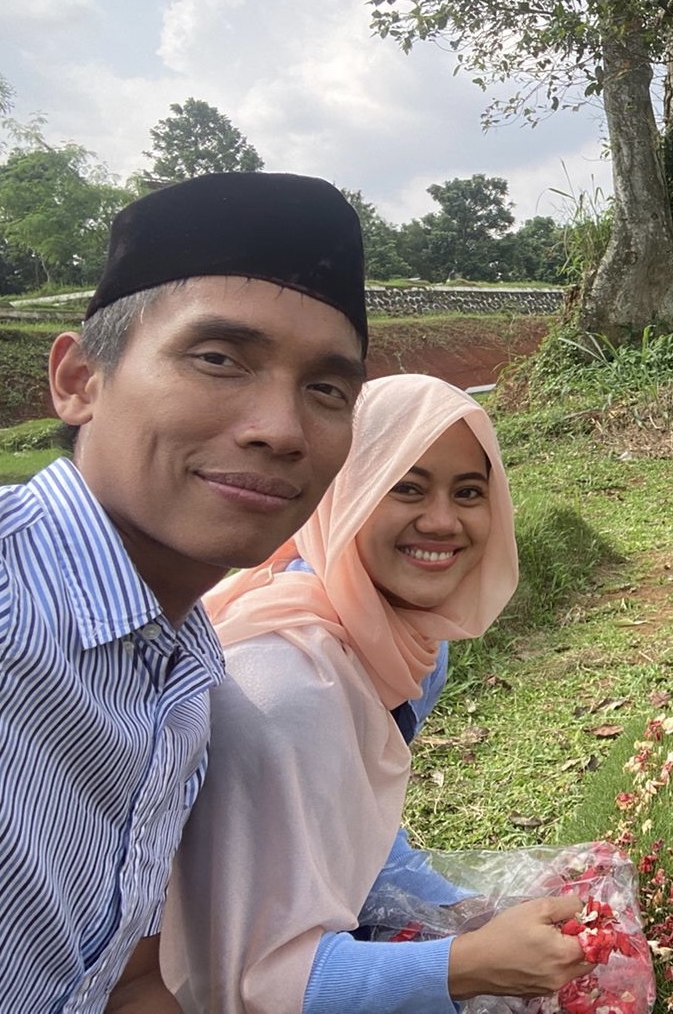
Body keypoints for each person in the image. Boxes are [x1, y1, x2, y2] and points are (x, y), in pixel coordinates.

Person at [0, 172, 368, 1013]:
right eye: (218, 359)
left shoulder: (185, 671)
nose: (282, 429)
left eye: (327, 390)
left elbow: (124, 982)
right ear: (80, 379)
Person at [161, 373, 593, 1014]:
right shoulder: (283, 689)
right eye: (406, 487)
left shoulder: (408, 645)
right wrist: (469, 962)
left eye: (468, 492)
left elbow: (355, 830)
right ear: (346, 491)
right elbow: (252, 985)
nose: (442, 522)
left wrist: (462, 913)